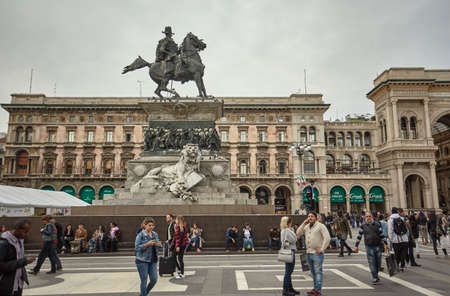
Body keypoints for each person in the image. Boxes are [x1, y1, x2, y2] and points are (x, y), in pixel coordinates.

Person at [297, 212, 330, 296]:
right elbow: (298, 233)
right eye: (308, 216)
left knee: (318, 272)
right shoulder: (307, 226)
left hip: (317, 253)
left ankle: (318, 290)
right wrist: (303, 223)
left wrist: (322, 249)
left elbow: (327, 238)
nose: (310, 218)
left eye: (312, 216)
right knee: (313, 272)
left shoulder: (321, 226)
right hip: (308, 252)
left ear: (315, 218)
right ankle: (315, 288)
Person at [0, 219, 35, 296]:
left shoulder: (19, 240)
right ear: (17, 229)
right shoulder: (4, 243)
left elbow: (16, 258)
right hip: (6, 286)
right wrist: (24, 261)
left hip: (18, 284)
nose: (26, 234)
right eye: (25, 231)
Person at [354, 212, 389, 284]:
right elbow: (359, 236)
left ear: (372, 217)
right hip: (369, 246)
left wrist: (386, 244)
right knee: (371, 262)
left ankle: (376, 274)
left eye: (369, 216)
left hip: (378, 246)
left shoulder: (377, 224)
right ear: (365, 217)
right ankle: (375, 277)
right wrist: (356, 246)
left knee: (378, 263)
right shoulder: (363, 225)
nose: (368, 218)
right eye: (367, 216)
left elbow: (381, 234)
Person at [135, 217, 161, 296]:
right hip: (142, 260)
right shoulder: (141, 235)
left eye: (153, 225)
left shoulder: (155, 234)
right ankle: (144, 294)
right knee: (144, 280)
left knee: (154, 279)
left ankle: (144, 293)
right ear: (145, 225)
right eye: (149, 225)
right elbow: (137, 248)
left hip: (153, 260)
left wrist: (159, 244)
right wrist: (147, 244)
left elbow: (158, 244)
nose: (151, 227)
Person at [280, 216, 299, 296]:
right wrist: (293, 232)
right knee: (288, 272)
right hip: (289, 251)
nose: (291, 224)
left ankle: (290, 288)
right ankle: (285, 290)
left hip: (287, 251)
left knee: (288, 271)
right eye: (290, 222)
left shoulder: (284, 230)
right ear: (288, 223)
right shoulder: (287, 230)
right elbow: (294, 239)